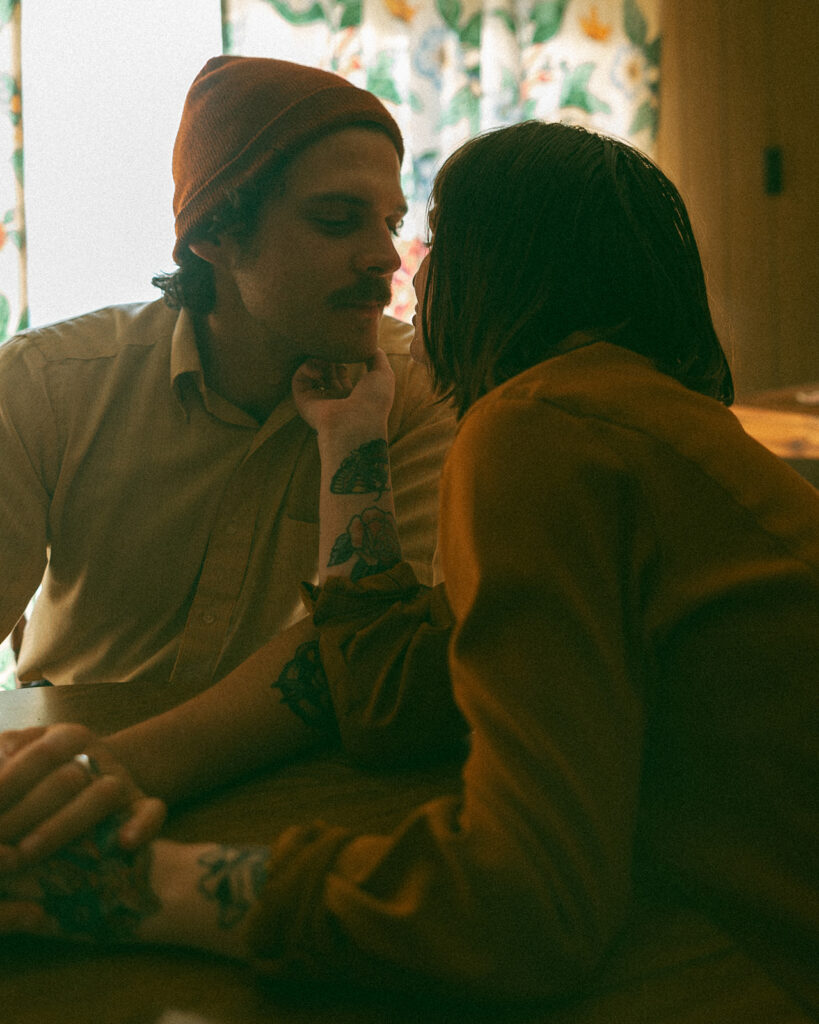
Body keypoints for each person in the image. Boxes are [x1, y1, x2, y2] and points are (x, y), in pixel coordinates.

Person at [1, 121, 818, 1018]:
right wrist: (352, 438)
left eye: (424, 229)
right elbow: (391, 691)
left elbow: (527, 908)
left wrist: (140, 886)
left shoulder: (546, 427)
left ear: (501, 264)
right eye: (345, 220)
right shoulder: (615, 419)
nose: (404, 268)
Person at [0, 54, 453, 688]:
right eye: (336, 219)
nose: (386, 258)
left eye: (391, 223)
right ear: (214, 234)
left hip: (297, 777)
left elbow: (380, 664)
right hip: (64, 758)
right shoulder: (48, 385)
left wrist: (357, 445)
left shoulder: (415, 392)